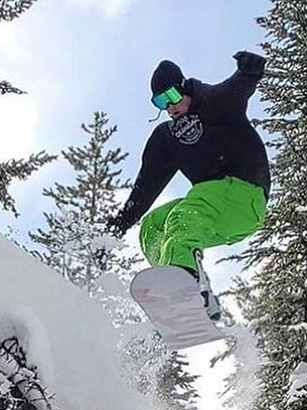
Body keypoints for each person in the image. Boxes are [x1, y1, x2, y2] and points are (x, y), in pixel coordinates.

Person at [107, 52, 270, 320]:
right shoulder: (166, 138)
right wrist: (120, 225)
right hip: (214, 208)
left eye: (171, 96)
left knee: (185, 215)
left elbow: (238, 86)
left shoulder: (215, 101)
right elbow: (146, 186)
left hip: (245, 194)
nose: (169, 107)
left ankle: (192, 288)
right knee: (154, 225)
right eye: (160, 102)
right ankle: (176, 288)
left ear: (183, 86)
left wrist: (250, 70)